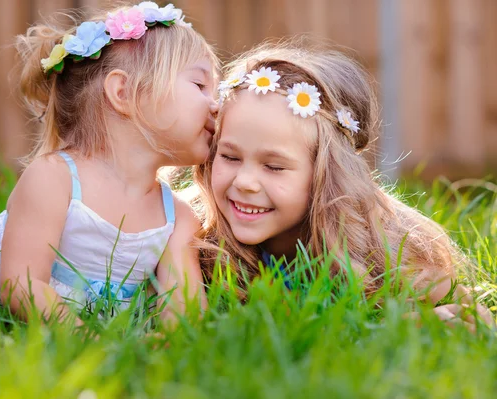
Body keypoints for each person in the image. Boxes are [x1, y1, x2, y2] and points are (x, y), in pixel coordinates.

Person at [0, 2, 217, 324]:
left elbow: (185, 305)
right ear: (124, 92)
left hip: (95, 324)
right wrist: (84, 337)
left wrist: (169, 339)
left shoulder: (178, 216)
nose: (215, 106)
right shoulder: (56, 179)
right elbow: (22, 284)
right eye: (200, 85)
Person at [192, 41, 493, 328]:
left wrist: (423, 322)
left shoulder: (386, 253)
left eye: (274, 166)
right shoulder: (193, 238)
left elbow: (471, 315)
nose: (244, 182)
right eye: (230, 157)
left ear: (328, 175)